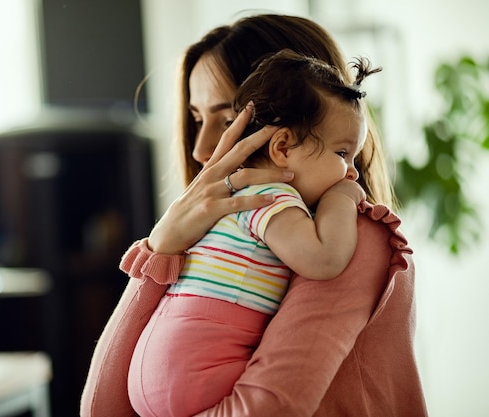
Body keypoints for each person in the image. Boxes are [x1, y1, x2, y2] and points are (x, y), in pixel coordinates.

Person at [80, 13, 427, 417]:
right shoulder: (224, 237)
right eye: (196, 119)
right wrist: (161, 245)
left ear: (287, 135)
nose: (200, 148)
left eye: (229, 119)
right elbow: (101, 409)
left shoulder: (351, 237)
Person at [127, 49, 380, 417]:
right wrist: (341, 199)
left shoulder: (231, 199)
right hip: (199, 374)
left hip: (158, 371)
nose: (352, 173)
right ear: (281, 147)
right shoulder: (271, 196)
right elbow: (324, 259)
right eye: (343, 154)